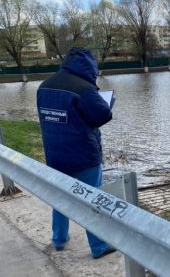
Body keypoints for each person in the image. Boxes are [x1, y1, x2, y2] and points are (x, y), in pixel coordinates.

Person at [36, 47, 114, 259]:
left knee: (60, 197)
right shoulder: (84, 88)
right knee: (92, 199)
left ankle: (59, 239)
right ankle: (98, 246)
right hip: (84, 155)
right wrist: (108, 103)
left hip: (55, 155)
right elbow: (101, 116)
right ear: (89, 66)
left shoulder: (44, 86)